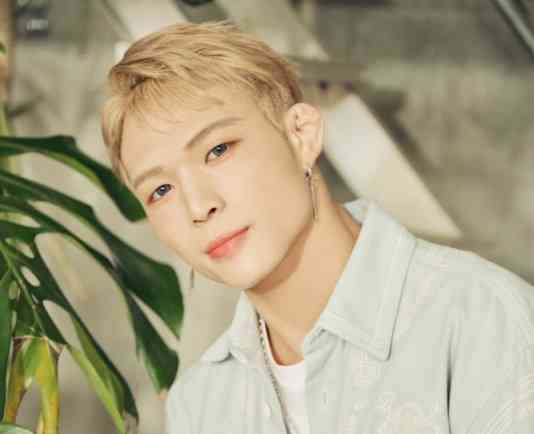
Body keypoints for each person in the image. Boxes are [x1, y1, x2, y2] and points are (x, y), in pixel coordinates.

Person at [100, 20, 534, 434]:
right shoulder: (201, 403)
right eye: (160, 190)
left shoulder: (481, 321)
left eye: (218, 150)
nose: (198, 206)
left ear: (301, 135)